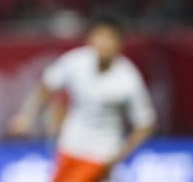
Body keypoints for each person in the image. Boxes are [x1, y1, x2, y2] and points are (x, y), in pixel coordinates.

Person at [8, 15, 156, 182]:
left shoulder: (127, 77)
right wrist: (26, 116)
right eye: (100, 36)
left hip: (102, 153)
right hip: (71, 145)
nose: (104, 43)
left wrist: (119, 156)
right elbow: (47, 86)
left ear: (119, 43)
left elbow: (146, 123)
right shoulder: (76, 61)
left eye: (110, 38)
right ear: (90, 39)